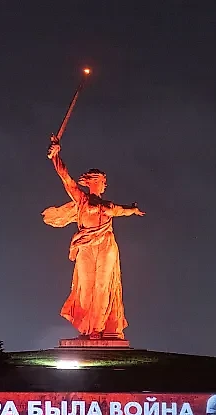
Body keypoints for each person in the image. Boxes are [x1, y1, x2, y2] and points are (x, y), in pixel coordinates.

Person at [42, 137, 144, 340]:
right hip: (86, 246)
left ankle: (98, 328)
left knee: (103, 286)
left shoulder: (108, 205)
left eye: (103, 182)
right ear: (92, 182)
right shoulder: (81, 200)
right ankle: (87, 329)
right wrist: (56, 156)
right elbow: (66, 179)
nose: (102, 184)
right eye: (99, 181)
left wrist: (133, 210)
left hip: (106, 245)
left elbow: (121, 211)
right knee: (86, 287)